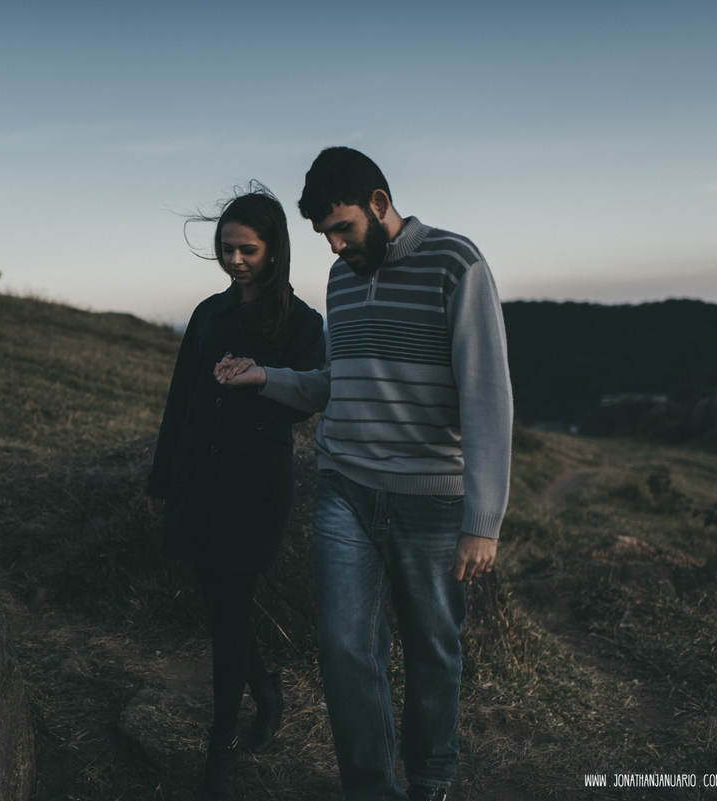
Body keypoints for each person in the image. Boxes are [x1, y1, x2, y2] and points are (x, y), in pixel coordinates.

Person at [215, 148, 512, 801]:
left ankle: (430, 780)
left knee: (433, 649)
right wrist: (267, 377)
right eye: (326, 235)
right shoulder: (343, 278)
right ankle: (371, 789)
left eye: (344, 228)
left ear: (379, 203)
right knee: (346, 648)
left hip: (432, 501)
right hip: (344, 487)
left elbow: (486, 394)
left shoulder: (456, 264)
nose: (337, 244)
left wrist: (482, 518)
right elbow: (338, 383)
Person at [145, 185, 326, 800]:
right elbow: (181, 403)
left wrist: (260, 380)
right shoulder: (207, 314)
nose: (235, 261)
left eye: (247, 249)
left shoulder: (304, 324)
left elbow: (309, 399)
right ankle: (267, 689)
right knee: (221, 603)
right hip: (198, 478)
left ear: (274, 250)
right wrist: (160, 480)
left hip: (254, 487)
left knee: (229, 613)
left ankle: (220, 749)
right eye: (226, 249)